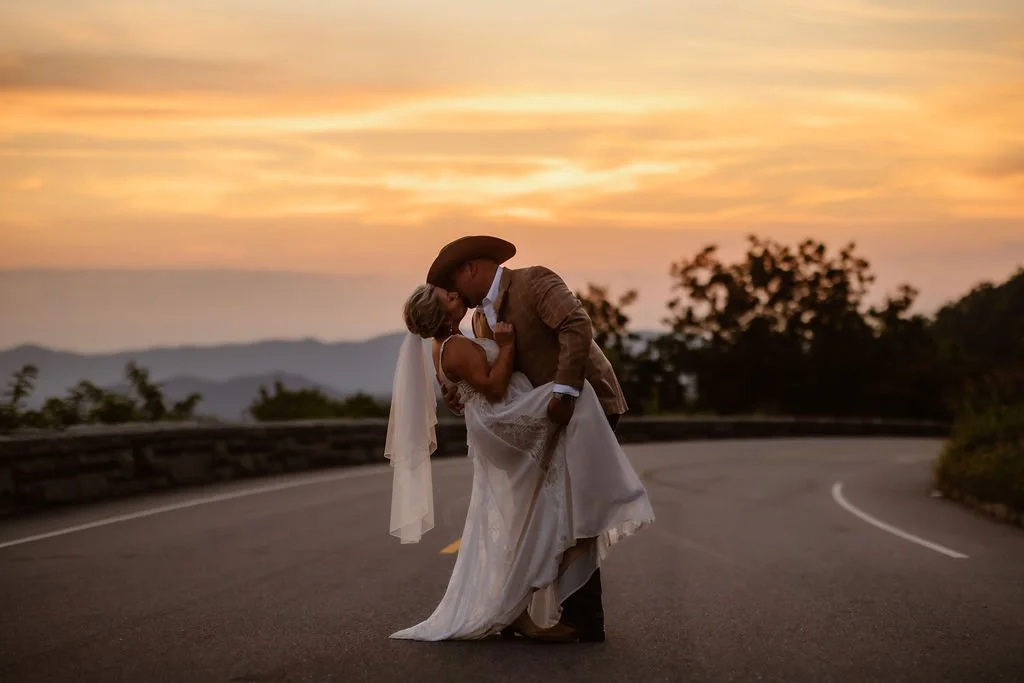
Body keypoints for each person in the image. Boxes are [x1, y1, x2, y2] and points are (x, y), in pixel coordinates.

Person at [385, 237, 653, 644]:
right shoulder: (475, 322)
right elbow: (488, 379)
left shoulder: (533, 282)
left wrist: (563, 392)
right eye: (446, 293)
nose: (453, 294)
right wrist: (465, 390)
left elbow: (576, 326)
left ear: (471, 268)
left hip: (579, 404)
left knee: (580, 505)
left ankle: (575, 615)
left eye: (450, 282)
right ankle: (572, 615)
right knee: (563, 509)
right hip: (534, 420)